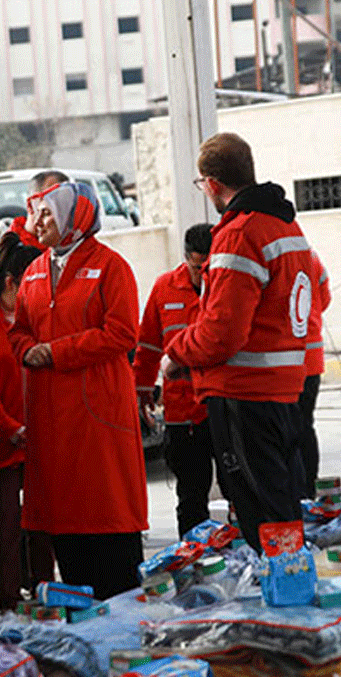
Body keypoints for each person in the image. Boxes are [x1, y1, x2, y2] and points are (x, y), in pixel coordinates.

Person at [162, 132, 315, 541]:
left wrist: (175, 354)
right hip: (283, 394)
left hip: (244, 397)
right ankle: (291, 585)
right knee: (281, 506)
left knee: (259, 515)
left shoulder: (238, 234)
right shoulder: (285, 225)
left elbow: (220, 333)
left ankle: (282, 596)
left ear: (211, 183)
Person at [7, 181, 148, 600]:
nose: (40, 220)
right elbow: (18, 331)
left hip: (97, 414)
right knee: (64, 523)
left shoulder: (110, 266)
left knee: (107, 519)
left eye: (49, 212)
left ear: (76, 217)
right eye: (38, 212)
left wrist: (56, 352)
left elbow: (123, 333)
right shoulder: (33, 271)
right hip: (51, 415)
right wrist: (28, 350)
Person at [0, 232, 52, 613]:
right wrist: (9, 427)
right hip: (1, 444)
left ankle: (47, 595)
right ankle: (7, 604)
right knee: (3, 530)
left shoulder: (39, 320)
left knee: (44, 527)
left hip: (41, 439)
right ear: (11, 283)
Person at [133, 223, 222, 538]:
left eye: (208, 267)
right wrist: (142, 395)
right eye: (197, 268)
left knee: (240, 491)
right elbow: (147, 348)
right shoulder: (164, 288)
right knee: (190, 497)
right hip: (182, 414)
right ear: (186, 259)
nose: (202, 275)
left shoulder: (228, 287)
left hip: (223, 408)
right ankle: (193, 561)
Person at [299, 249, 332, 493]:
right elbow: (324, 298)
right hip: (310, 359)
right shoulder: (309, 256)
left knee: (287, 431)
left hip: (284, 363)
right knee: (304, 426)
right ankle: (308, 490)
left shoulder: (267, 252)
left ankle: (299, 491)